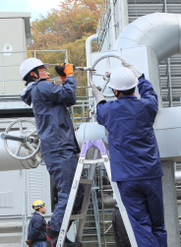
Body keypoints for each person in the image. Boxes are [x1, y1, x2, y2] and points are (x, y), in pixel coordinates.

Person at [92, 61, 167, 246]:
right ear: (134, 87)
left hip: (127, 178)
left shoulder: (108, 111)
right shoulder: (148, 106)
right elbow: (150, 92)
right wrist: (138, 74)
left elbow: (100, 109)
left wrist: (97, 94)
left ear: (115, 91)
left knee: (141, 225)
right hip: (151, 174)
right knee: (158, 225)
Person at [20, 58, 83, 247]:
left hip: (60, 146)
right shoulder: (41, 86)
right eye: (42, 69)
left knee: (76, 193)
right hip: (59, 146)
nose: (47, 73)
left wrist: (64, 79)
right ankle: (52, 234)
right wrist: (69, 76)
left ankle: (60, 236)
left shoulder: (40, 89)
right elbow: (70, 96)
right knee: (69, 192)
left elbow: (65, 97)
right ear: (34, 74)